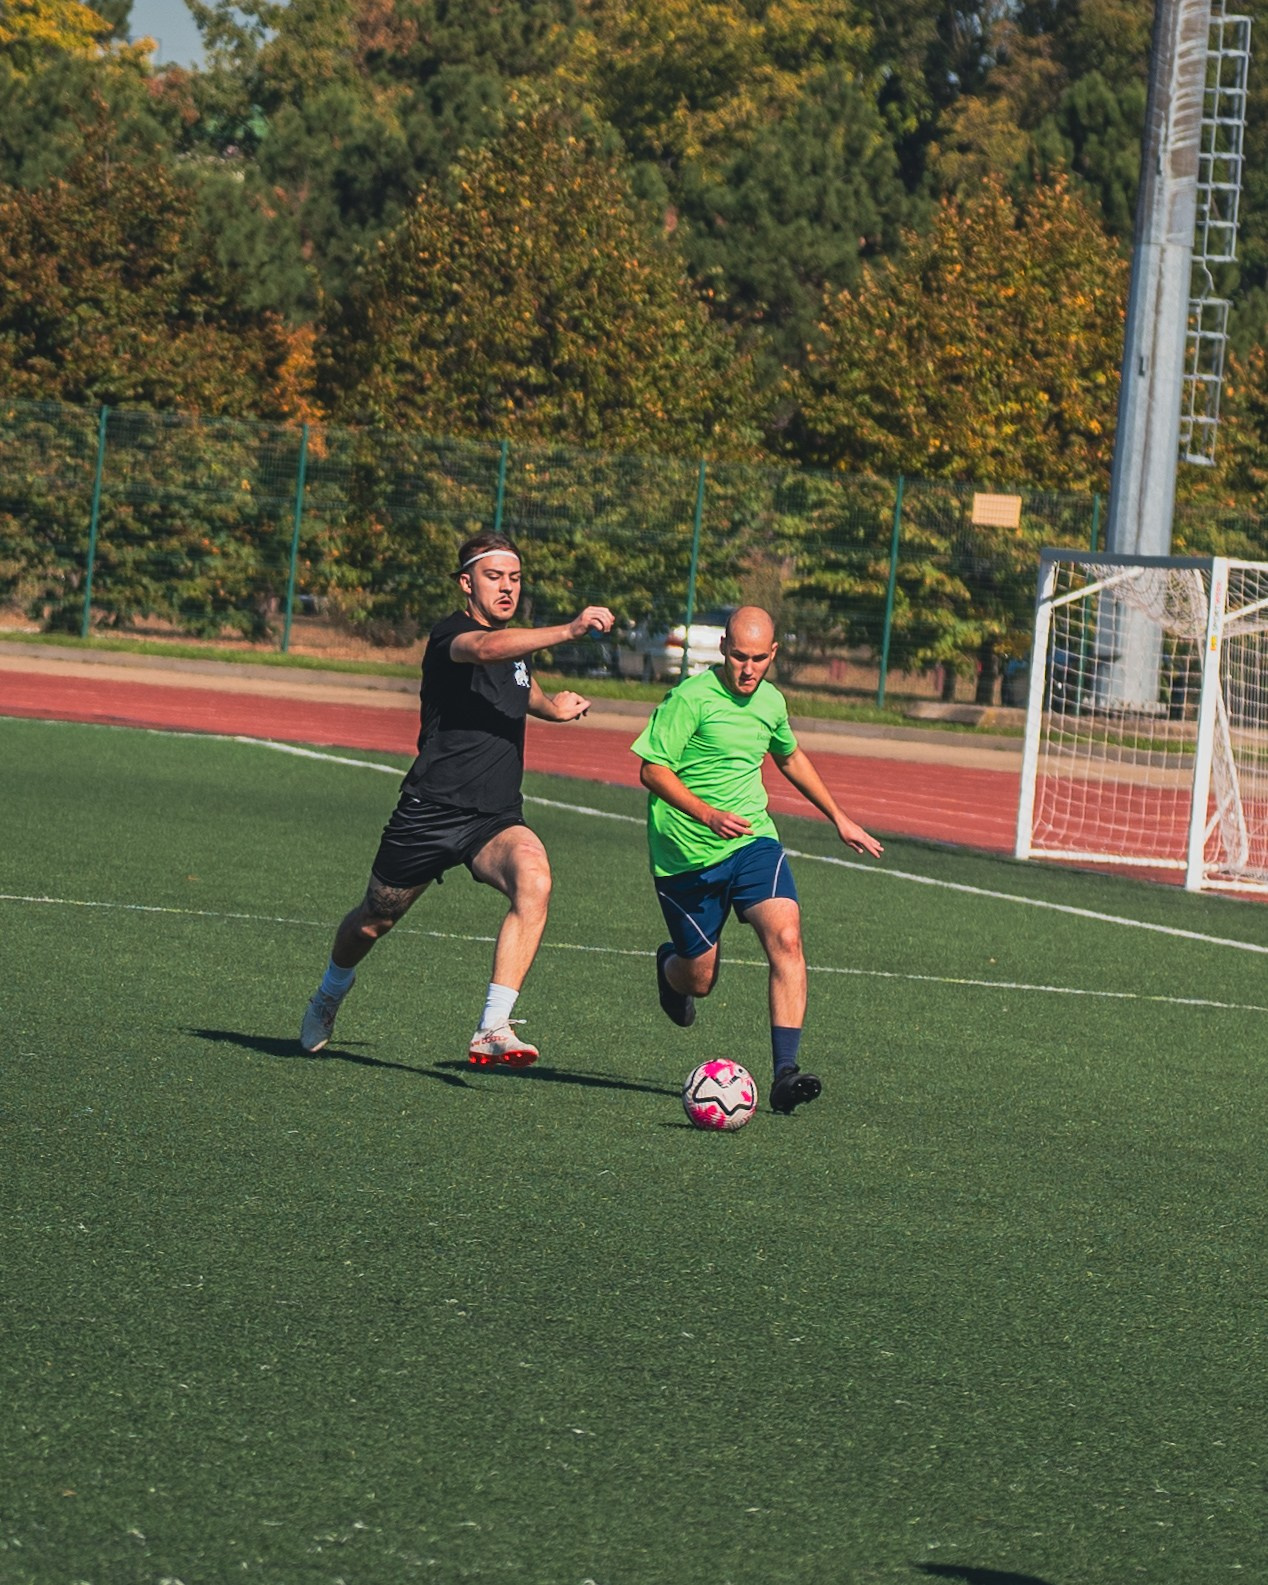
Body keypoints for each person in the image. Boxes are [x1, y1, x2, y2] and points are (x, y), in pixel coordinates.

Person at [300, 530, 615, 1066]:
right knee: (375, 919)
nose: (507, 588)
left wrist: (551, 708)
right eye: (495, 577)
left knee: (535, 877)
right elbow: (487, 650)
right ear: (466, 583)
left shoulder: (516, 648)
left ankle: (493, 1026)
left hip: (492, 819)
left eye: (515, 578)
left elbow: (518, 683)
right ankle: (330, 991)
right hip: (429, 812)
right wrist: (569, 629)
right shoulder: (452, 635)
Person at [630, 605, 883, 1113]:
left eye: (758, 659)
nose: (747, 669)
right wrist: (706, 814)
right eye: (738, 657)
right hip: (686, 853)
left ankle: (785, 1073)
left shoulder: (770, 701)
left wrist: (839, 816)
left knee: (787, 937)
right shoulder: (691, 698)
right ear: (723, 649)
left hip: (751, 841)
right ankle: (669, 968)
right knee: (699, 980)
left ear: (773, 654)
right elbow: (651, 770)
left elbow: (788, 756)